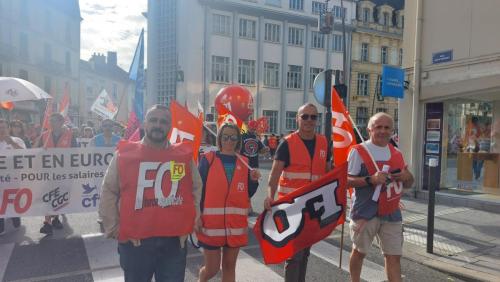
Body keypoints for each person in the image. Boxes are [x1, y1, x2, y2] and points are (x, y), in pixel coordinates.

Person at [99, 105, 201, 282]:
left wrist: (193, 218)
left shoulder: (182, 155)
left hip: (174, 243)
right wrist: (113, 227)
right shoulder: (125, 155)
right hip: (135, 243)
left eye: (164, 122)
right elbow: (109, 190)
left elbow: (196, 188)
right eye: (153, 120)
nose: (158, 125)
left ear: (170, 126)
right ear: (145, 123)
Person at [263, 103, 331, 282]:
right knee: (294, 256)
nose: (309, 120)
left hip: (314, 207)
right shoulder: (287, 143)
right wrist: (270, 195)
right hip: (291, 209)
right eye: (305, 116)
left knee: (305, 252)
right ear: (297, 118)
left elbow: (328, 173)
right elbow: (274, 175)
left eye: (313, 117)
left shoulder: (324, 142)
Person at [346, 112, 414, 282]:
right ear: (369, 129)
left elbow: (409, 182)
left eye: (387, 127)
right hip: (364, 212)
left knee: (394, 256)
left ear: (392, 130)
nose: (383, 131)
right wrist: (371, 180)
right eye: (378, 127)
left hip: (391, 211)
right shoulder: (358, 151)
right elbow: (346, 181)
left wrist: (407, 177)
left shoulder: (396, 153)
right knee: (359, 252)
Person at [197, 123, 260, 282]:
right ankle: (201, 278)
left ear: (238, 140)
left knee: (229, 266)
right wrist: (196, 215)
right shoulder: (208, 160)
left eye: (233, 137)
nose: (229, 140)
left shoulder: (245, 163)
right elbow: (198, 190)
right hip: (211, 225)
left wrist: (253, 181)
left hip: (235, 226)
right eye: (226, 137)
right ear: (219, 139)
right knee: (211, 269)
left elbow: (247, 193)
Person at [35, 113, 77, 235]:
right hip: (48, 173)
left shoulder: (70, 136)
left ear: (61, 122)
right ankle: (47, 222)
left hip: (64, 173)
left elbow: (76, 154)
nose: (51, 123)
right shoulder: (45, 135)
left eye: (53, 121)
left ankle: (56, 218)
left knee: (59, 196)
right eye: (50, 121)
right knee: (48, 196)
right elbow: (35, 151)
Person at [0, 119, 26, 235]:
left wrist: (12, 143)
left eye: (4, 127)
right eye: (0, 128)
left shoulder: (17, 140)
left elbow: (26, 155)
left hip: (14, 180)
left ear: (8, 128)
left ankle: (15, 216)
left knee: (14, 202)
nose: (2, 130)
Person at [240, 121, 268, 198]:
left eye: (254, 128)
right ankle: (245, 200)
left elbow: (261, 150)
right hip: (244, 164)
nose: (253, 129)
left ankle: (248, 198)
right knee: (242, 183)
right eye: (252, 127)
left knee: (254, 184)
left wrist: (265, 149)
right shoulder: (242, 136)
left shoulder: (256, 137)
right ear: (248, 127)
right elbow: (237, 149)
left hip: (254, 165)